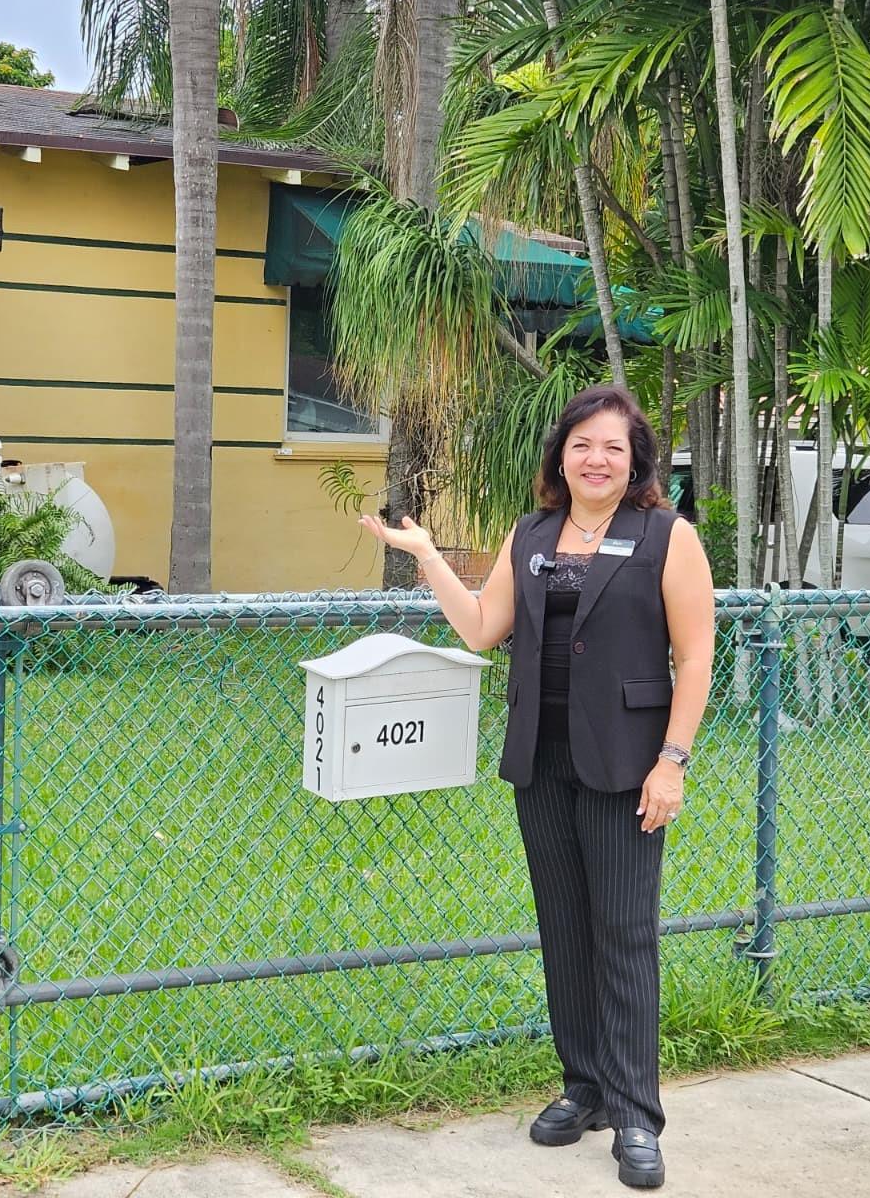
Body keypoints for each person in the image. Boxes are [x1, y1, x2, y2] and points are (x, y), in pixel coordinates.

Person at [360, 385, 715, 1190]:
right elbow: (485, 628)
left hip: (628, 767)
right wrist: (427, 559)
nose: (597, 459)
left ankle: (635, 1115)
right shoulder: (531, 534)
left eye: (614, 448)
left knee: (623, 936)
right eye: (583, 444)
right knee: (564, 933)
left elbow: (694, 658)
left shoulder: (667, 537)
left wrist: (673, 761)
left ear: (636, 463)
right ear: (561, 454)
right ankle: (583, 1088)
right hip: (542, 763)